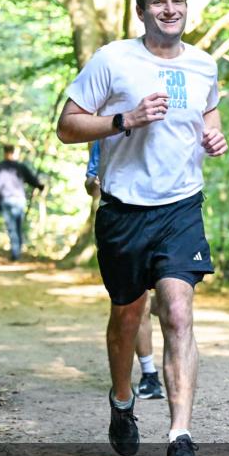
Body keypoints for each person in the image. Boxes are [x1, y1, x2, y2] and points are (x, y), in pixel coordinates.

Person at [57, 0, 227, 456]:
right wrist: (124, 119)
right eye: (159, 2)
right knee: (127, 316)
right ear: (142, 11)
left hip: (181, 207)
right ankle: (122, 398)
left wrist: (214, 137)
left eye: (177, 1)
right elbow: (67, 126)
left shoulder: (203, 64)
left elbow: (210, 115)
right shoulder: (113, 59)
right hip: (124, 209)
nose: (170, 9)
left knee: (177, 312)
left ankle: (181, 438)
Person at [85, 141, 165, 400]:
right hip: (122, 225)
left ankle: (149, 373)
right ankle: (149, 375)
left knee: (169, 300)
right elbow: (90, 184)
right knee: (136, 304)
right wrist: (94, 184)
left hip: (166, 221)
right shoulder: (105, 135)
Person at [0, 144, 44, 261]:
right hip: (18, 200)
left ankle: (16, 252)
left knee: (12, 227)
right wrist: (40, 186)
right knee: (18, 226)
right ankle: (17, 251)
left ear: (4, 152)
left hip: (7, 200)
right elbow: (32, 179)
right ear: (13, 152)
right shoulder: (20, 167)